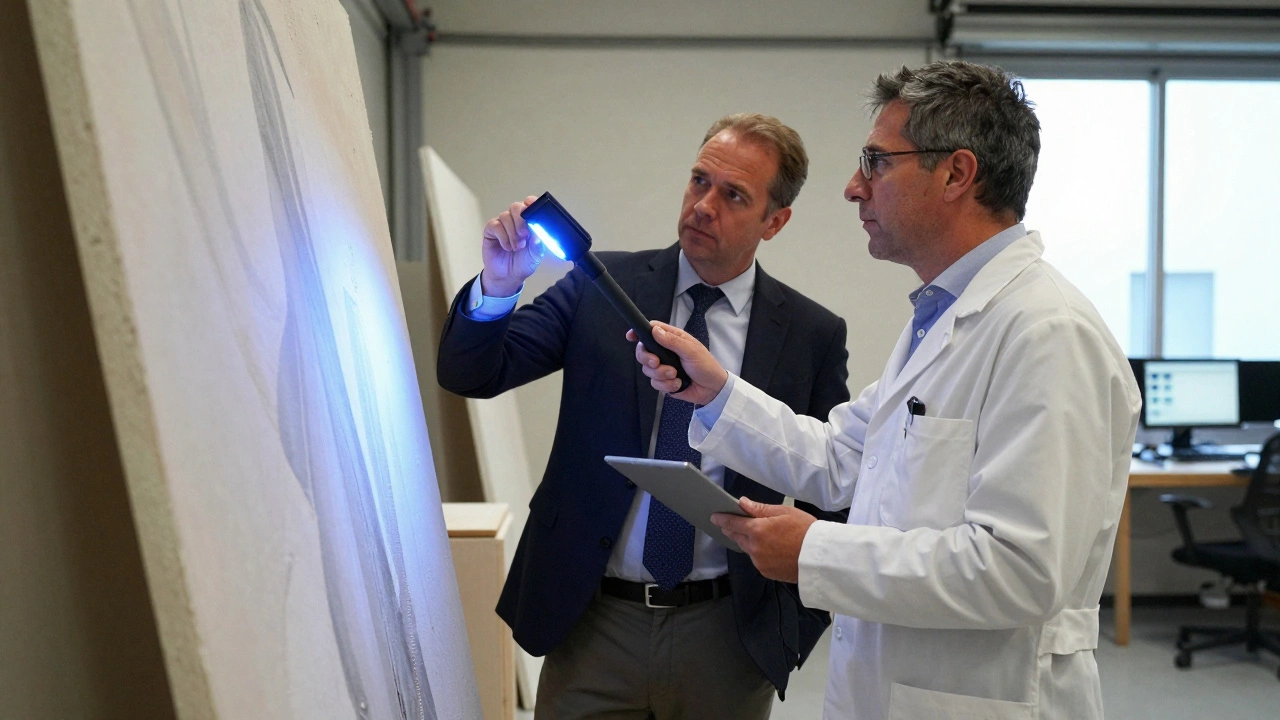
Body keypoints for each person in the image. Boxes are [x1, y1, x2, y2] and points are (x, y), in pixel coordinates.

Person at [634, 61, 1142, 720]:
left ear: (957, 174)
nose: (853, 187)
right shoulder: (939, 320)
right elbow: (842, 456)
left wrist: (816, 551)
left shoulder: (1048, 331)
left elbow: (1020, 570)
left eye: (876, 162)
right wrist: (717, 393)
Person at [436, 113, 851, 719]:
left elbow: (833, 489)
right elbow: (472, 374)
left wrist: (792, 626)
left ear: (775, 221)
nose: (704, 205)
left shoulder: (811, 334)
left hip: (727, 635)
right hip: (592, 619)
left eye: (733, 194)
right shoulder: (600, 286)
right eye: (699, 180)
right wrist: (499, 287)